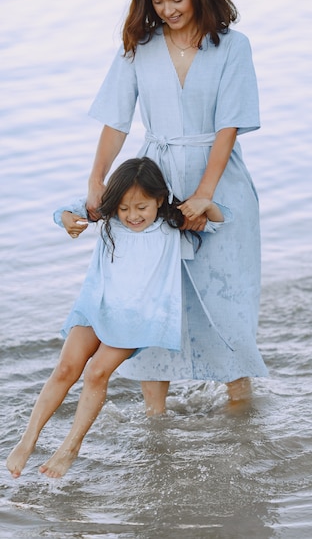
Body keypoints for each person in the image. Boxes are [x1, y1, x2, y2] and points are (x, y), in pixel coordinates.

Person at [86, 0, 268, 414]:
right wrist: (97, 181)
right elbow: (116, 122)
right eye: (158, 1)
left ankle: (240, 408)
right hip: (156, 183)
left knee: (228, 295)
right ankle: (155, 420)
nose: (166, 10)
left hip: (222, 183)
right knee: (155, 295)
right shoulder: (139, 48)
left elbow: (228, 126)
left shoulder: (232, 46)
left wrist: (205, 193)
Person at [6, 157, 227, 479]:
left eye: (141, 207)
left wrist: (206, 202)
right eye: (124, 208)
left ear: (160, 199)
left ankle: (70, 447)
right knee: (66, 369)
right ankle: (27, 441)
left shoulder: (172, 223)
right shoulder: (109, 217)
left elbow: (219, 221)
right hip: (97, 305)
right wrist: (68, 220)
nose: (132, 216)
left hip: (141, 316)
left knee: (96, 373)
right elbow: (65, 213)